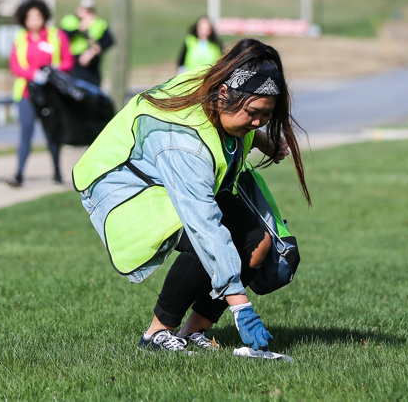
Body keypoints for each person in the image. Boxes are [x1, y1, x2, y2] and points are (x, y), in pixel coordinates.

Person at [73, 38, 311, 353]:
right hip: (127, 188)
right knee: (207, 243)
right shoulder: (183, 141)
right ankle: (156, 335)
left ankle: (193, 333)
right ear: (225, 94)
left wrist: (260, 138)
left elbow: (238, 119)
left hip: (172, 179)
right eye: (254, 113)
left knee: (257, 240)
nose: (258, 121)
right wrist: (240, 304)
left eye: (265, 115)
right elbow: (204, 226)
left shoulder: (222, 85)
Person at [7, 0, 74, 187]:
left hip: (51, 94)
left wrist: (53, 71)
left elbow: (68, 61)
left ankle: (57, 172)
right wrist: (32, 74)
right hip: (27, 93)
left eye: (37, 16)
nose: (34, 21)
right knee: (25, 132)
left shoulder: (56, 35)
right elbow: (15, 65)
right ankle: (19, 173)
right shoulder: (20, 38)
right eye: (30, 17)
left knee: (52, 133)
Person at [59, 0, 114, 89]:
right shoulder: (70, 20)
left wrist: (93, 51)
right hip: (74, 63)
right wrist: (79, 29)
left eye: (89, 10)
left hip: (92, 66)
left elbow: (108, 40)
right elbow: (63, 36)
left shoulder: (99, 23)